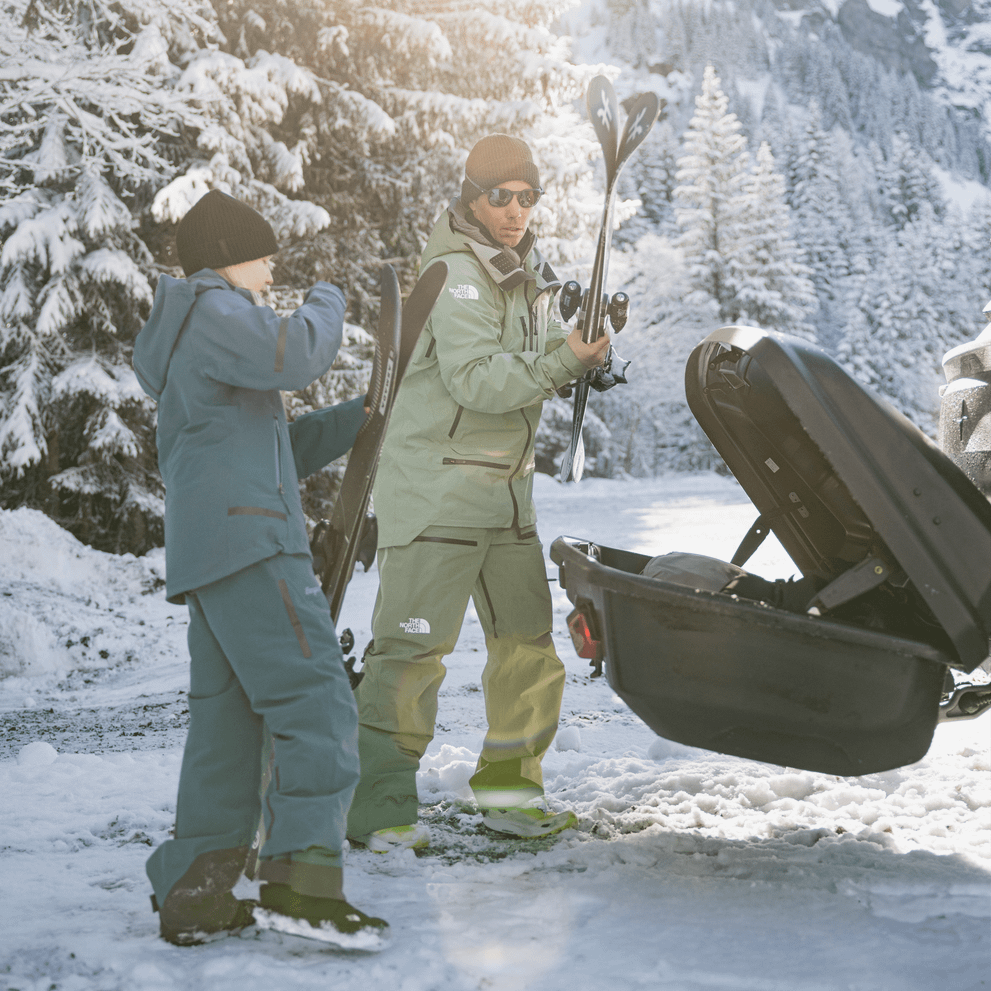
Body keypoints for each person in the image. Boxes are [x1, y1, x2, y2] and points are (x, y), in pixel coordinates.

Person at [133, 189, 387, 946]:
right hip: (250, 543)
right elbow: (298, 352)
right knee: (317, 699)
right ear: (224, 256)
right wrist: (330, 296)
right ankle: (303, 880)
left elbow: (272, 446)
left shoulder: (193, 334)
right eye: (263, 251)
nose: (274, 264)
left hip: (213, 550)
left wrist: (360, 419)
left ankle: (195, 884)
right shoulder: (216, 309)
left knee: (229, 724)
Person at [346, 135, 610, 849]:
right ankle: (379, 809)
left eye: (528, 197)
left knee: (528, 651)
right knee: (408, 657)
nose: (516, 210)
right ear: (472, 196)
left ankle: (508, 791)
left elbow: (532, 368)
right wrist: (561, 359)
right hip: (438, 498)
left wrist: (579, 354)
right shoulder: (457, 274)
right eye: (502, 196)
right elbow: (479, 380)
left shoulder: (516, 276)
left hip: (504, 498)